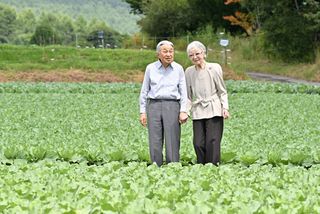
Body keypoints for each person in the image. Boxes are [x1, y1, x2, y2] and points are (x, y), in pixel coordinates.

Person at [139, 40, 188, 166]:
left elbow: (184, 92)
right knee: (155, 139)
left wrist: (183, 110)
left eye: (171, 51)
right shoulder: (151, 68)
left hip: (172, 105)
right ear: (158, 54)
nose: (168, 54)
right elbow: (144, 91)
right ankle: (156, 166)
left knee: (172, 139)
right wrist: (142, 112)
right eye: (165, 51)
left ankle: (173, 167)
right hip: (153, 105)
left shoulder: (178, 69)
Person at [185, 41, 230, 165]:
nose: (195, 57)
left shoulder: (214, 68)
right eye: (191, 55)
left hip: (214, 108)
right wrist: (185, 111)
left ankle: (213, 167)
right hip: (198, 109)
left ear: (204, 53)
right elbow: (188, 95)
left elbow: (222, 91)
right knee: (198, 143)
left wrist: (225, 107)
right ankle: (202, 166)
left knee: (213, 141)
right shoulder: (188, 72)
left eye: (197, 54)